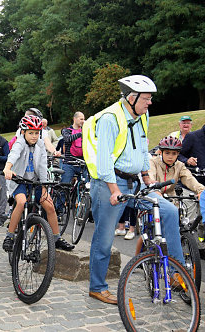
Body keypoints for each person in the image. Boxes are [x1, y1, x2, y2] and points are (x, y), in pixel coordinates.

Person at [82, 74, 184, 305]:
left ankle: (176, 272)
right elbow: (104, 160)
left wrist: (148, 178)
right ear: (131, 97)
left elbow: (142, 148)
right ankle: (97, 287)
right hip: (109, 183)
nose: (150, 103)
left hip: (136, 181)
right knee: (104, 238)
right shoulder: (110, 118)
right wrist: (114, 190)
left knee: (168, 211)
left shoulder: (142, 115)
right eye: (146, 98)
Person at [2, 115, 75, 252]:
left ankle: (56, 238)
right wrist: (7, 168)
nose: (34, 136)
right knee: (22, 202)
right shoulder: (20, 143)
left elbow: (42, 165)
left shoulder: (40, 144)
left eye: (37, 133)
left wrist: (44, 184)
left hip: (35, 181)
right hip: (20, 181)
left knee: (49, 205)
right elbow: (13, 155)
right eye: (31, 133)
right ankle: (10, 236)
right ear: (23, 132)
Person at [61, 112, 86, 184]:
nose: (83, 121)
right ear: (74, 119)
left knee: (87, 185)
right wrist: (81, 133)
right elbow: (68, 139)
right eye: (81, 119)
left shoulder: (85, 131)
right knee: (65, 185)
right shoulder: (66, 130)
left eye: (84, 119)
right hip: (69, 163)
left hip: (82, 164)